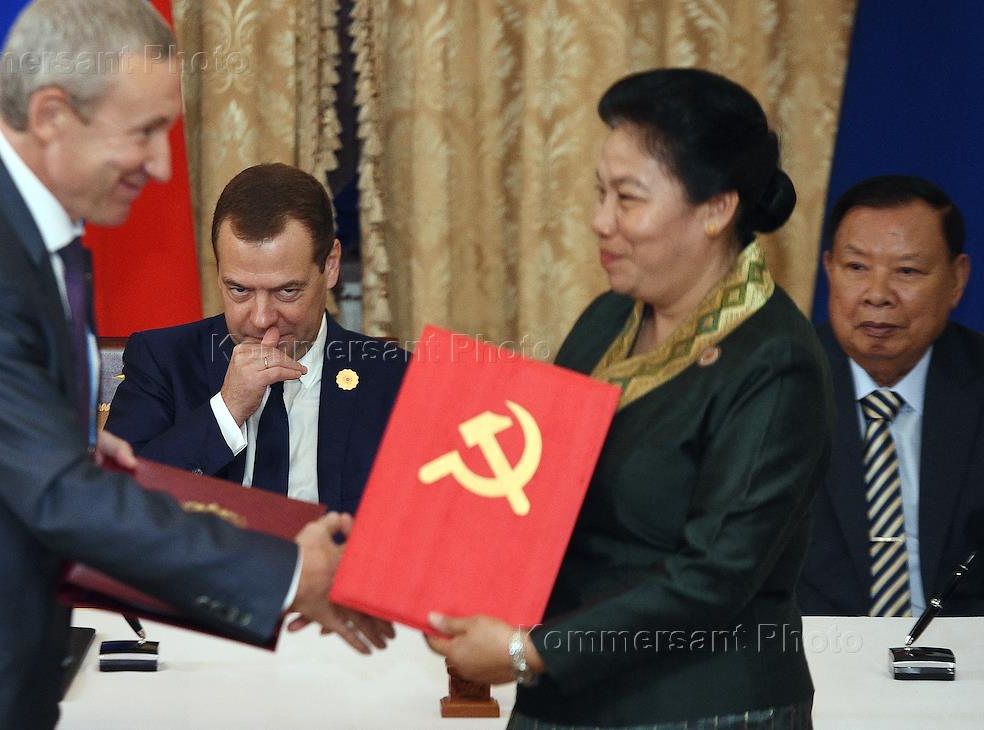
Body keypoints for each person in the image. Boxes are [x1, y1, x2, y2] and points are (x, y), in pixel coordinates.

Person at [0, 0, 387, 729]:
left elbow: (4, 455)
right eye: (142, 133)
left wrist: (76, 449)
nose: (161, 165)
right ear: (52, 117)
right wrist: (293, 570)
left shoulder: (20, 238)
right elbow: (58, 499)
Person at [427, 68, 833, 728]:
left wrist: (528, 652)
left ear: (715, 209)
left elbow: (713, 577)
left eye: (628, 198)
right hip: (565, 696)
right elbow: (534, 491)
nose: (599, 221)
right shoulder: (607, 319)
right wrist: (434, 572)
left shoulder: (774, 361)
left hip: (702, 709)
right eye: (599, 193)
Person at [104, 163, 408, 514]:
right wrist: (227, 410)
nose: (262, 318)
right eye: (240, 290)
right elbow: (116, 505)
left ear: (331, 266)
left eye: (287, 291)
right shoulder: (163, 361)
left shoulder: (395, 379)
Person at [799, 175, 984, 617]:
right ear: (829, 269)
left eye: (907, 271)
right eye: (856, 267)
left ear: (957, 279)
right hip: (811, 648)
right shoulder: (774, 383)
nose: (878, 296)